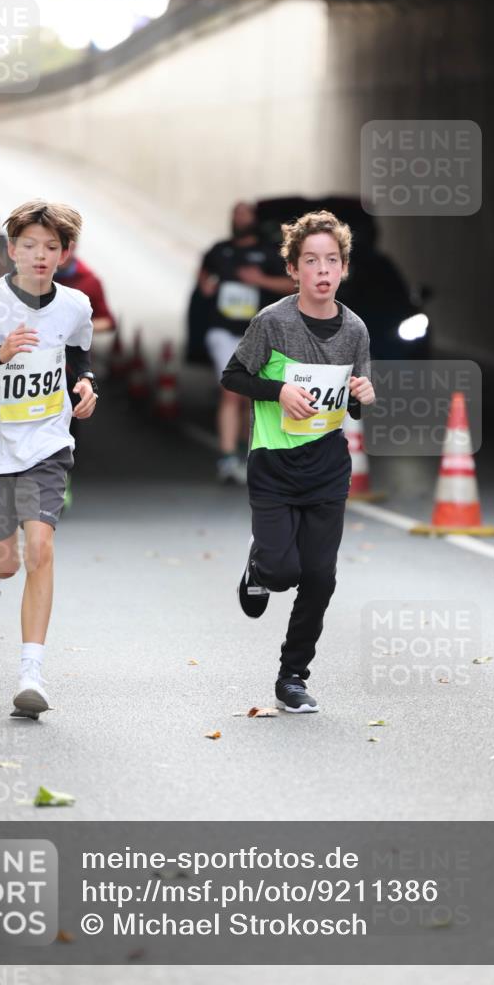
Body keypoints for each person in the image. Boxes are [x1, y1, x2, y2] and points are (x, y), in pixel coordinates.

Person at [0, 200, 98, 718]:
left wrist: (86, 385)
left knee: (41, 547)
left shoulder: (74, 305)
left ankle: (32, 672)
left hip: (48, 443)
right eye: (29, 245)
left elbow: (79, 352)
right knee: (7, 558)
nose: (40, 255)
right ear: (11, 250)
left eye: (51, 247)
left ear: (65, 254)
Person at [221, 210, 375, 713]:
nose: (323, 270)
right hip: (273, 464)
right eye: (311, 260)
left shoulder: (355, 330)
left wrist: (362, 393)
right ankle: (259, 565)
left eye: (332, 260)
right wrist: (279, 390)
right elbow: (233, 377)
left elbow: (350, 400)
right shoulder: (273, 322)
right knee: (283, 571)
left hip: (328, 466)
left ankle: (292, 676)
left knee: (321, 576)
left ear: (344, 268)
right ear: (294, 269)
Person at [198, 201, 294, 484]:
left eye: (244, 213)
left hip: (256, 334)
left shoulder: (269, 254)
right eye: (235, 213)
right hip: (222, 331)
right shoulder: (219, 250)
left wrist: (260, 280)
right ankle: (228, 459)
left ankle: (247, 453)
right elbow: (204, 275)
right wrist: (206, 284)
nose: (239, 217)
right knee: (231, 390)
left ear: (254, 219)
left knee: (252, 396)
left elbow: (293, 285)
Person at [55, 251, 116, 509]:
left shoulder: (88, 281)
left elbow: (107, 321)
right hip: (31, 368)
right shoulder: (26, 282)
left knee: (66, 429)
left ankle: (61, 483)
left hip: (69, 370)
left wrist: (80, 325)